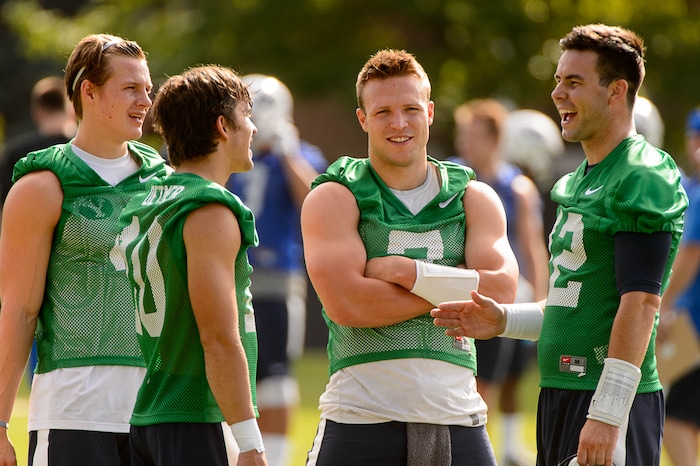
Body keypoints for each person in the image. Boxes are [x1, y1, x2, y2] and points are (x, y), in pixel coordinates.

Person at [431, 24, 687, 466]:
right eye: (557, 81)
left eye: (574, 82)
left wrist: (607, 413)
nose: (558, 94)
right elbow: (577, 307)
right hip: (561, 393)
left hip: (606, 400)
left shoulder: (640, 176)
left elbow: (642, 304)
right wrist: (503, 320)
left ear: (616, 91)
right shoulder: (581, 179)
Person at [301, 48, 519, 466]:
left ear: (431, 112)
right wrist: (453, 287)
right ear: (363, 118)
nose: (398, 123)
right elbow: (347, 303)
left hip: (458, 416)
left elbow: (502, 290)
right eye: (383, 112)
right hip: (360, 417)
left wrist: (404, 272)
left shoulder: (473, 196)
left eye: (410, 109)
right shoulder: (336, 194)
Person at [0, 34, 169, 465]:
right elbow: (18, 309)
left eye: (147, 88)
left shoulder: (167, 183)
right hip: (74, 411)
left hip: (160, 411)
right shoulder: (42, 185)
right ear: (88, 91)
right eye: (130, 88)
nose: (145, 101)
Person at [114, 64, 266, 466]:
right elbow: (217, 336)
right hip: (197, 416)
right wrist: (249, 441)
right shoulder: (208, 208)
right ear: (222, 126)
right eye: (246, 117)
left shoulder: (150, 201)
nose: (253, 129)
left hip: (154, 414)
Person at [226, 74, 327, 466]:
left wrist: (288, 154)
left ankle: (279, 459)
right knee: (232, 370)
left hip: (279, 279)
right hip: (233, 273)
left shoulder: (300, 153)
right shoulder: (231, 151)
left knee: (277, 377)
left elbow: (317, 201)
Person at [451, 99, 551, 466]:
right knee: (472, 380)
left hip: (508, 297)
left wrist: (540, 300)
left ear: (495, 139)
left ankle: (495, 449)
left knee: (502, 379)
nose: (465, 144)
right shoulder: (452, 178)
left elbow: (531, 245)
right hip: (464, 292)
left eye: (472, 136)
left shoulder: (516, 187)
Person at [658, 107, 700, 466]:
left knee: (674, 417)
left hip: (692, 320)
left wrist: (662, 305)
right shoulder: (689, 186)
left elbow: (689, 255)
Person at [0, 75, 77, 206]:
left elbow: (5, 201)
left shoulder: (16, 152)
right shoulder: (84, 149)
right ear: (72, 110)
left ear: (37, 112)